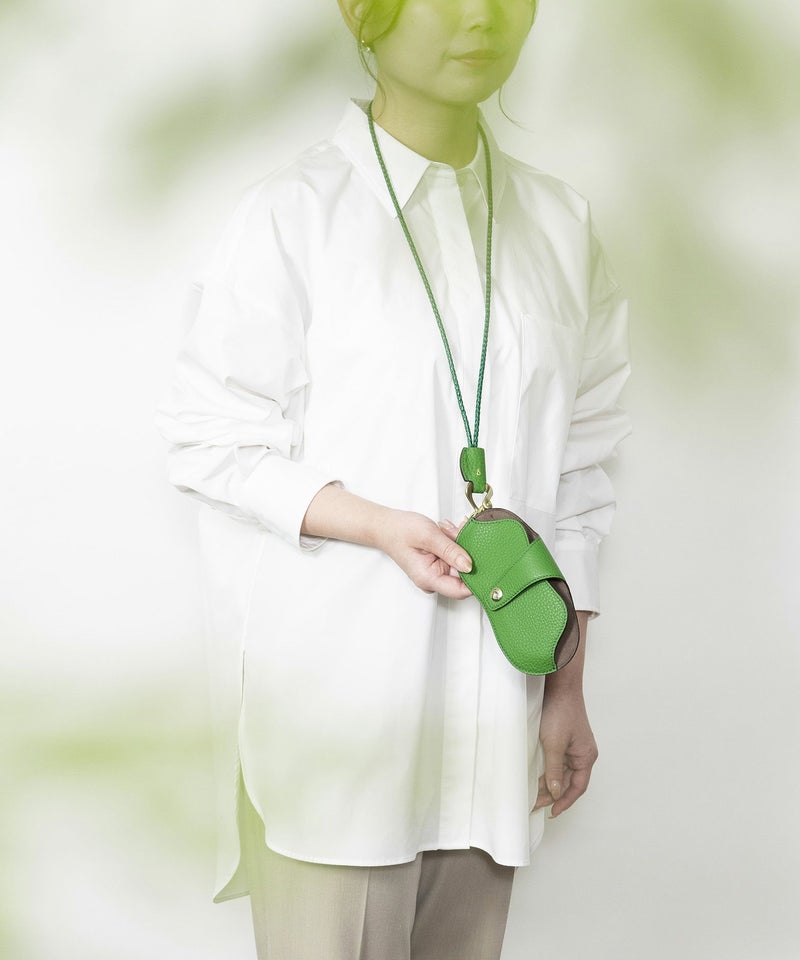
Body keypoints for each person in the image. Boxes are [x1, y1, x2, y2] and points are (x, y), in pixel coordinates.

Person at [156, 0, 631, 956]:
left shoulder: (560, 224)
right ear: (364, 13)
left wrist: (565, 684)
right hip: (343, 728)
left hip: (494, 724)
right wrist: (376, 523)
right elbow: (210, 439)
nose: (481, 19)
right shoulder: (292, 217)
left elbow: (583, 467)